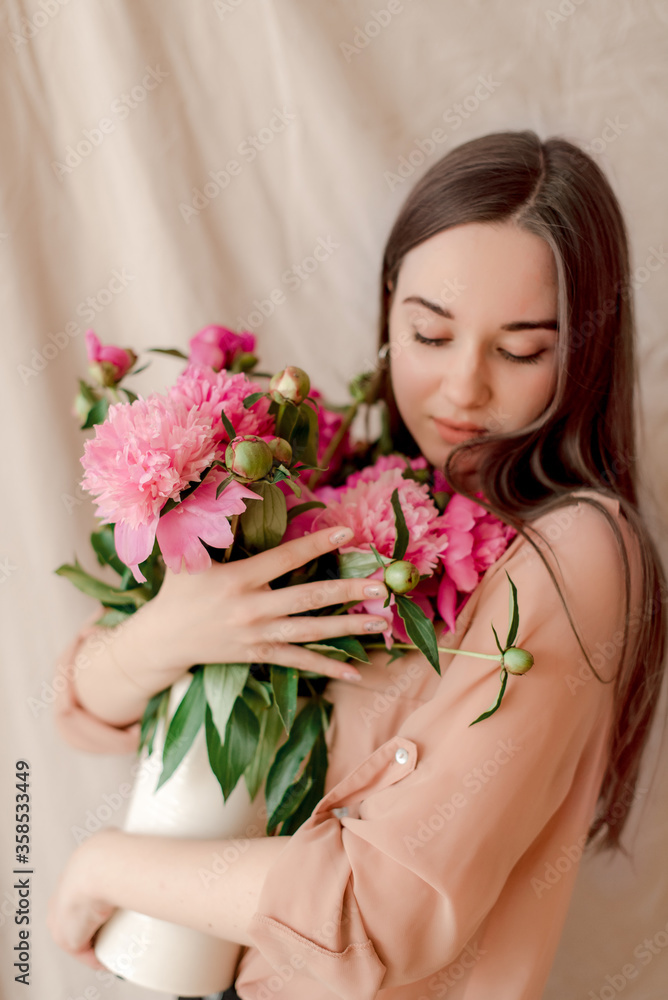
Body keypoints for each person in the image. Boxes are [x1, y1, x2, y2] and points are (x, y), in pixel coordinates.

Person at [48, 130, 667, 1000]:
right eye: (429, 333)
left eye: (522, 349)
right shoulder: (349, 479)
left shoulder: (580, 556)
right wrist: (170, 632)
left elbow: (383, 910)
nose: (461, 389)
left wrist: (108, 866)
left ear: (587, 349)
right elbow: (83, 711)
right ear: (388, 312)